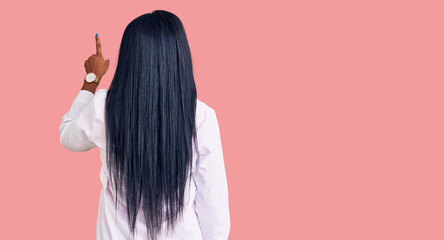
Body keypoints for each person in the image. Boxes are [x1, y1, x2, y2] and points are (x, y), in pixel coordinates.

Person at [59, 10, 230, 240]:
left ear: (129, 61)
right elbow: (216, 218)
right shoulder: (202, 118)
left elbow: (67, 135)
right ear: (180, 58)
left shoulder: (105, 108)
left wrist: (92, 79)